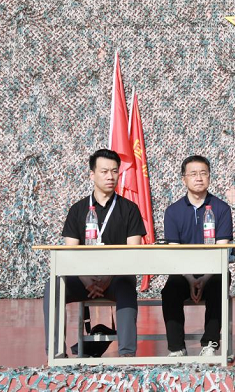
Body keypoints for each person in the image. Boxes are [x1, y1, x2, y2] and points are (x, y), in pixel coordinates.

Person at [43, 149, 145, 358]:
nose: (110, 176)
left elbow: (133, 252)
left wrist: (108, 277)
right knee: (53, 286)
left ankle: (127, 355)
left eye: (114, 171)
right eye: (104, 171)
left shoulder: (130, 209)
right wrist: (85, 278)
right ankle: (56, 354)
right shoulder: (78, 209)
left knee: (127, 288)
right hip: (83, 279)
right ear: (92, 174)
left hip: (116, 278)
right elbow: (70, 253)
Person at [161, 155, 233, 357]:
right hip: (183, 273)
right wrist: (191, 278)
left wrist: (205, 278)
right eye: (193, 174)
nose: (199, 178)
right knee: (170, 290)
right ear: (183, 179)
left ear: (209, 177)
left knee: (220, 283)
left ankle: (210, 344)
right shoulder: (173, 211)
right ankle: (177, 348)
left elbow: (222, 250)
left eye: (203, 173)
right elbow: (174, 253)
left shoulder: (221, 209)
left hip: (213, 272)